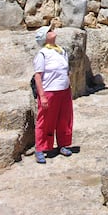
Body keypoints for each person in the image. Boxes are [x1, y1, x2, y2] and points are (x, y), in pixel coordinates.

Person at [33, 23, 73, 164]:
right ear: (45, 37)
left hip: (64, 90)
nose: (52, 31)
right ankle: (41, 148)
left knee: (64, 119)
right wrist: (42, 95)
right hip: (50, 91)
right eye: (49, 31)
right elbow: (38, 75)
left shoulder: (61, 51)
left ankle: (62, 144)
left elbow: (66, 71)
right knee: (45, 120)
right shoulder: (43, 54)